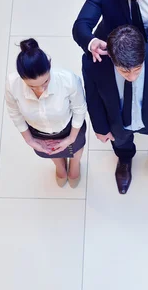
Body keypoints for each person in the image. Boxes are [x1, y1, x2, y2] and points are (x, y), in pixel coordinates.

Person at [82, 25, 148, 194]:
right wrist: (100, 128)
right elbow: (93, 98)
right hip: (118, 118)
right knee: (121, 142)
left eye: (137, 70)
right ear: (112, 59)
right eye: (124, 71)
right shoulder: (94, 64)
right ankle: (124, 160)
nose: (131, 77)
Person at [5, 39, 87, 188]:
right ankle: (60, 166)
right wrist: (29, 140)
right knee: (51, 152)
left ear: (49, 66)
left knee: (76, 148)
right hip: (38, 131)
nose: (40, 90)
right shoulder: (12, 84)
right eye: (31, 86)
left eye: (45, 82)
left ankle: (75, 165)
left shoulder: (68, 80)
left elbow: (79, 109)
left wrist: (71, 138)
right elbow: (14, 112)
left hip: (69, 126)